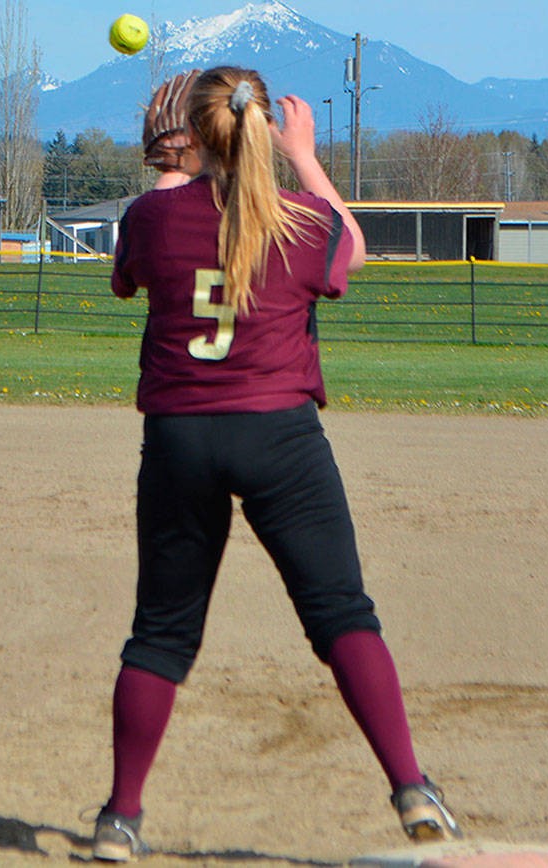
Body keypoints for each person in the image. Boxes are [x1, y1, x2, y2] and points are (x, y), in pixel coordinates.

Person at [90, 68, 462, 861]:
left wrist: (171, 167)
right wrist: (301, 156)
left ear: (196, 132)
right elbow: (351, 247)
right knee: (341, 616)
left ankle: (121, 818)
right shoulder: (300, 220)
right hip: (280, 438)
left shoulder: (151, 216)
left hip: (181, 439)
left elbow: (133, 267)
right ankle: (412, 788)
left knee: (159, 635)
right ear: (261, 131)